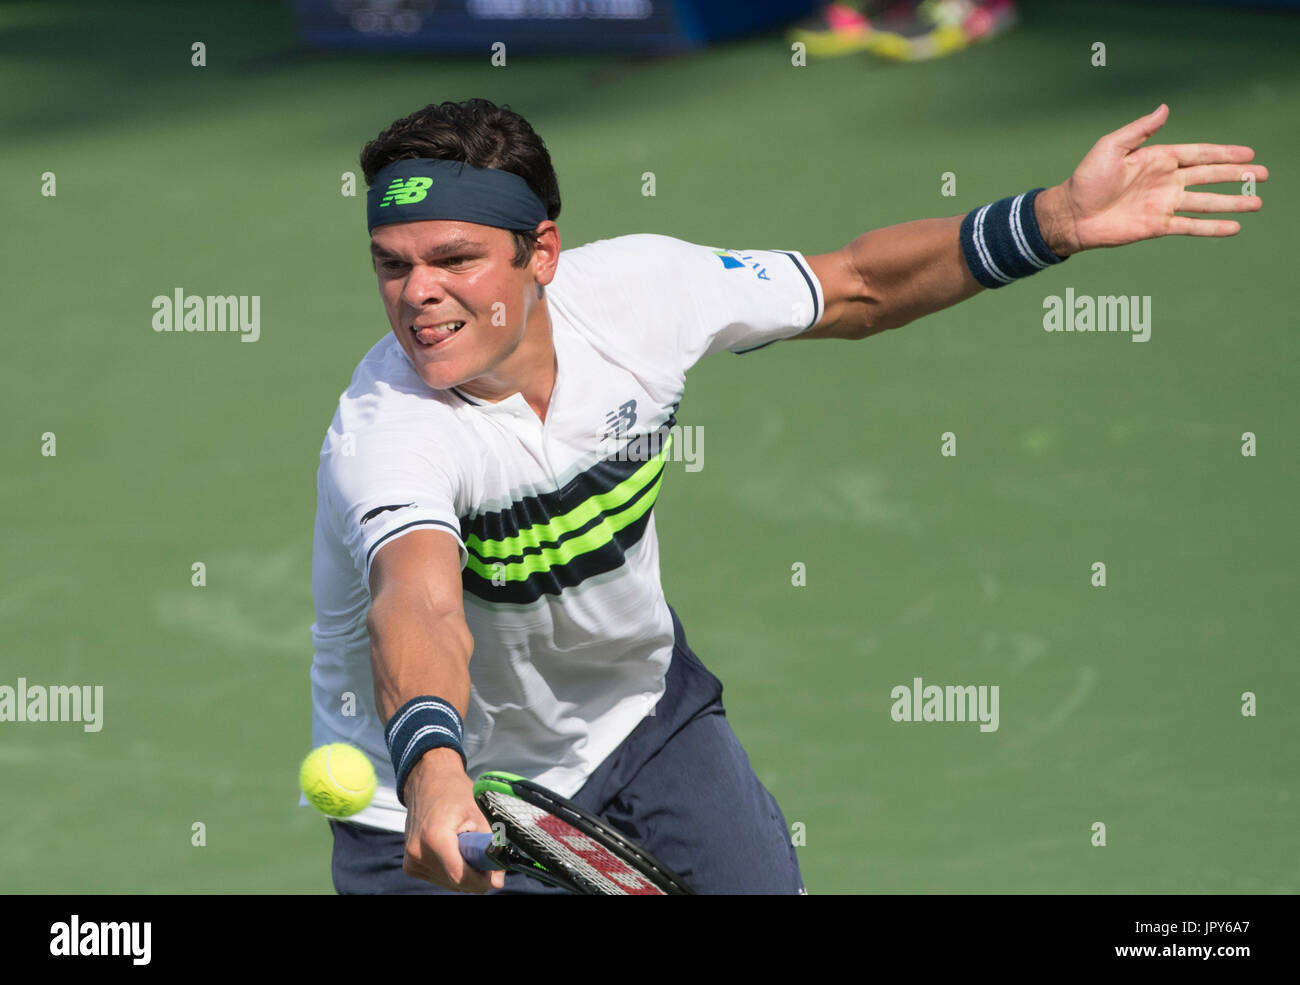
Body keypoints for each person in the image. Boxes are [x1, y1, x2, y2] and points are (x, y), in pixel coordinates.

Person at [308, 98, 1265, 894]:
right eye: (392, 265)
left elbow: (852, 288)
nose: (418, 293)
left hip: (641, 716)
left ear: (542, 253)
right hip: (441, 815)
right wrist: (436, 774)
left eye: (454, 258)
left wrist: (1050, 222)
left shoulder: (647, 294)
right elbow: (419, 599)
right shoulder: (390, 432)